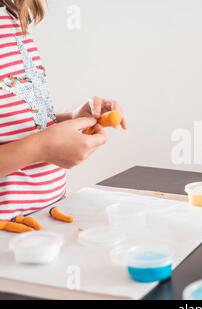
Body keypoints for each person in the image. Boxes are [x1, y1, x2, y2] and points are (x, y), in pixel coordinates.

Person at [0, 0, 126, 219]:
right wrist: (42, 147)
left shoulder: (10, 18)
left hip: (44, 215)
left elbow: (12, 123)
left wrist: (69, 119)